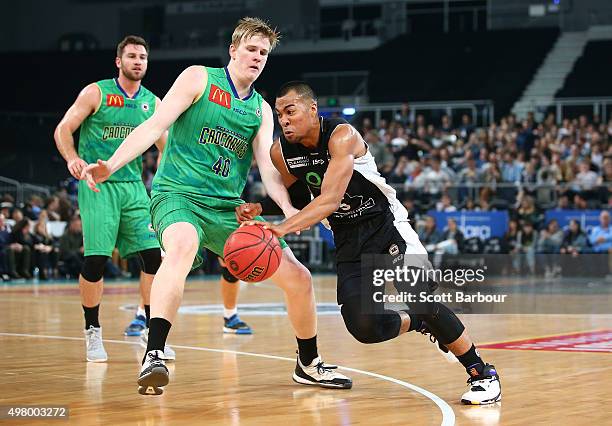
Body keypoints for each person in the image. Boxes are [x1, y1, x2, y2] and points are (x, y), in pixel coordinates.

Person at [82, 18, 351, 395]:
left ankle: (308, 363)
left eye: (263, 53)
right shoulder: (198, 78)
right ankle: (154, 353)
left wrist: (289, 209)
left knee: (300, 277)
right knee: (182, 246)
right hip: (177, 196)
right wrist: (112, 163)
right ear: (233, 50)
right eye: (251, 50)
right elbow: (154, 125)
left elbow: (268, 171)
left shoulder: (259, 109)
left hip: (227, 209)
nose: (257, 57)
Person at [239, 81, 501, 405]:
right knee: (364, 327)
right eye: (279, 114)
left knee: (418, 294)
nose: (284, 120)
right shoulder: (281, 153)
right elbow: (296, 199)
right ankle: (418, 322)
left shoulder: (341, 136)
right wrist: (260, 207)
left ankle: (482, 372)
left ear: (312, 109)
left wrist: (280, 229)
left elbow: (329, 199)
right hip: (348, 239)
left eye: (290, 111)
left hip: (385, 225)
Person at [54, 35, 172, 362]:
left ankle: (152, 329)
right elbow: (63, 129)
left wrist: (160, 183)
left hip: (134, 186)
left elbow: (166, 149)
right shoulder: (97, 92)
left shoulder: (154, 103)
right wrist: (72, 159)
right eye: (132, 56)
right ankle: (92, 331)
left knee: (152, 257)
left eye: (143, 57)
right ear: (118, 61)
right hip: (97, 184)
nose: (138, 61)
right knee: (96, 260)